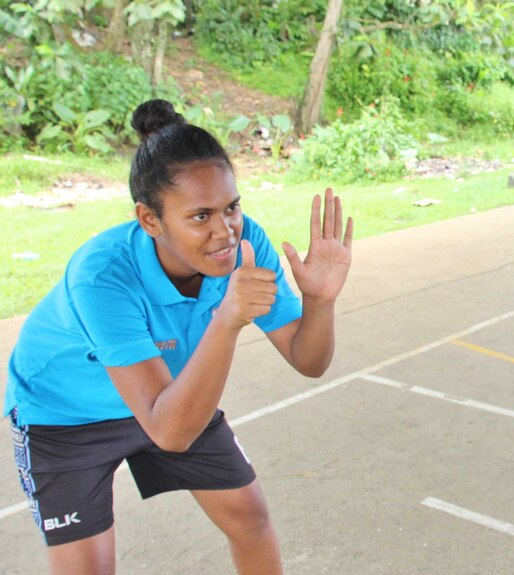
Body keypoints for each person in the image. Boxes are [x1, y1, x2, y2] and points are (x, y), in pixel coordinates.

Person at [5, 99, 353, 574]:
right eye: (200, 216)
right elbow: (169, 432)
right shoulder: (102, 275)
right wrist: (227, 319)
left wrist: (321, 302)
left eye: (231, 208)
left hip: (170, 395)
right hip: (66, 414)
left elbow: (308, 359)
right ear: (150, 220)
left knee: (250, 518)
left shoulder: (246, 242)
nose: (225, 231)